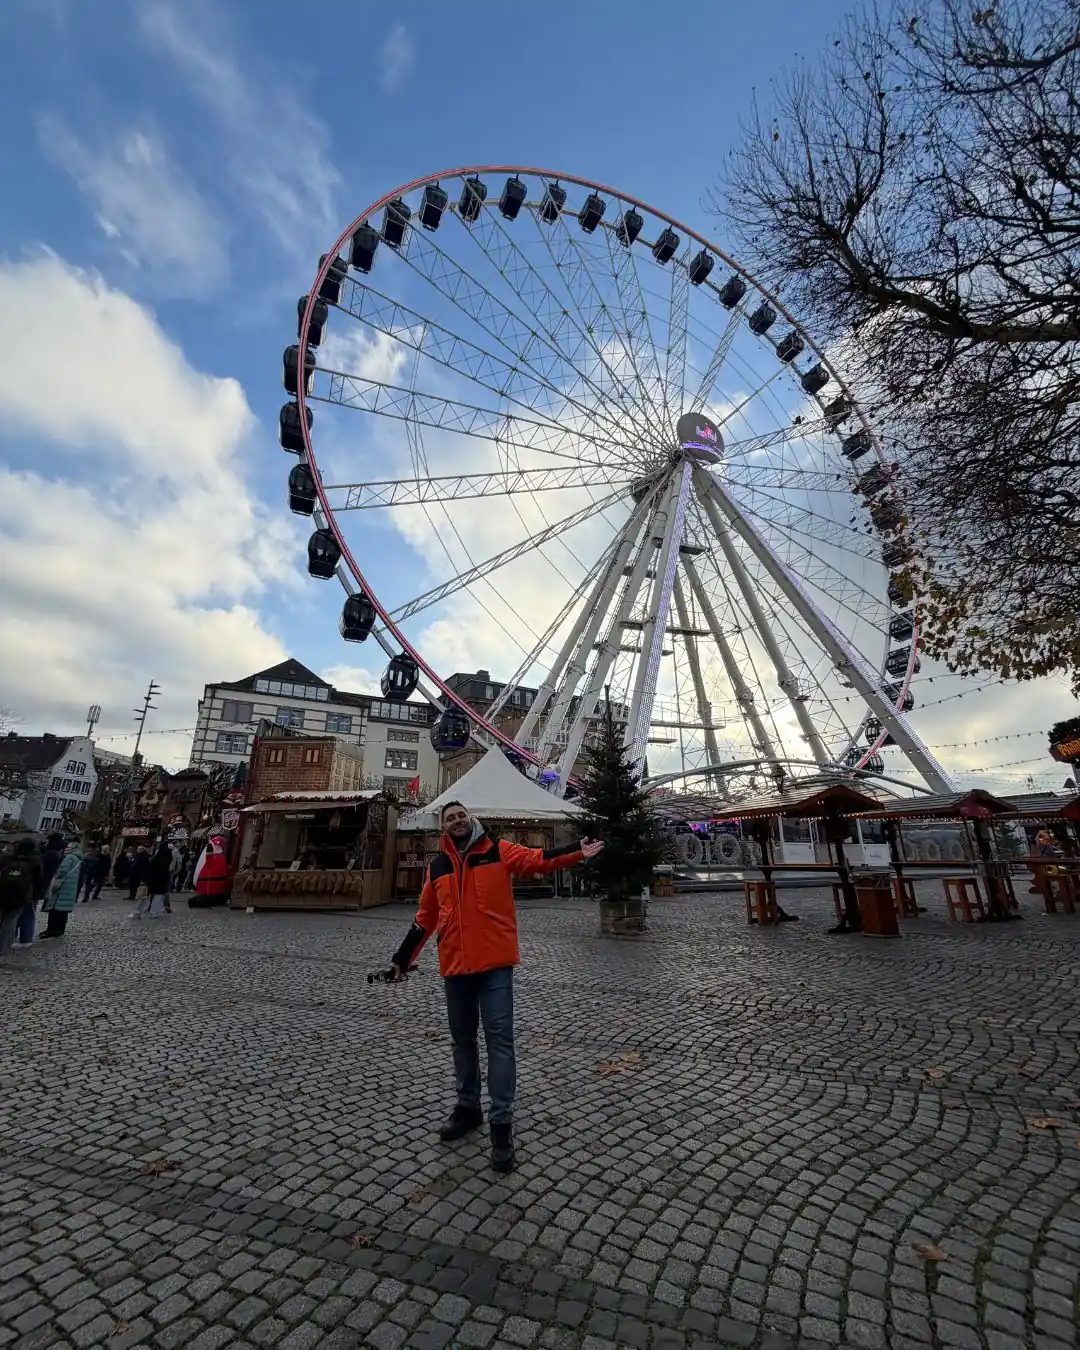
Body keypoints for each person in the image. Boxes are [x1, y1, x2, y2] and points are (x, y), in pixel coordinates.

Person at [387, 800, 603, 1173]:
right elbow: (425, 918)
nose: (456, 820)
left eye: (461, 815)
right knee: (462, 1040)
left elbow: (538, 859)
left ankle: (501, 1128)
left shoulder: (498, 851)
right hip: (455, 967)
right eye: (449, 817)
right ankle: (468, 1108)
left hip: (495, 967)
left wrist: (575, 851)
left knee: (499, 1042)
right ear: (444, 827)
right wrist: (402, 959)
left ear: (471, 820)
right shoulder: (437, 867)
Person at [0, 841, 42, 956]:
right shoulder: (35, 861)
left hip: (2, 893)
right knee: (10, 922)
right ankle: (3, 949)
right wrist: (37, 895)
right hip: (21, 897)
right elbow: (38, 881)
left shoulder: (7, 858)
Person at [40, 841, 81, 939]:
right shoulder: (78, 859)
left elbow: (62, 871)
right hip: (70, 888)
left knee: (55, 910)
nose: (66, 848)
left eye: (68, 847)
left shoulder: (69, 858)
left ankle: (51, 930)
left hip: (62, 888)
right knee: (63, 911)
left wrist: (55, 876)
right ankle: (60, 930)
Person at [132, 838, 173, 918]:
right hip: (161, 881)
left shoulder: (156, 859)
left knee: (143, 897)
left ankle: (137, 912)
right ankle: (154, 913)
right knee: (157, 897)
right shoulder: (167, 857)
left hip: (151, 880)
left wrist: (145, 879)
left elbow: (149, 869)